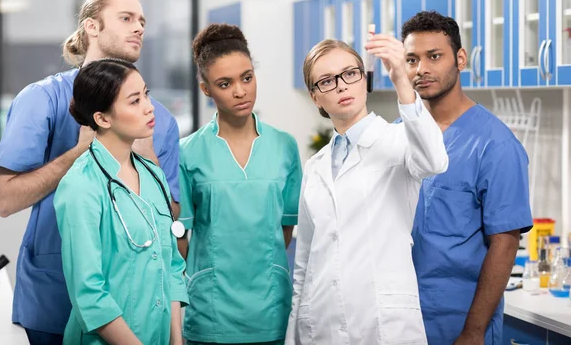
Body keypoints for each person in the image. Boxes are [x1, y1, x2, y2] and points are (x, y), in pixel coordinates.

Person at [0, 0, 182, 344]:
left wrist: (148, 156)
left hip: (138, 304)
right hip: (54, 295)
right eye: (126, 18)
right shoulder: (42, 99)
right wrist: (77, 153)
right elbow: (4, 200)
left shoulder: (158, 122)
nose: (138, 28)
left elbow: (168, 220)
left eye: (142, 21)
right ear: (91, 27)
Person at [285, 33, 448, 345]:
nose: (342, 85)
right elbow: (304, 262)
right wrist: (296, 332)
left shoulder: (399, 142)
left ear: (364, 79)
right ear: (315, 96)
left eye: (350, 73)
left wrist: (402, 77)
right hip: (321, 325)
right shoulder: (315, 166)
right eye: (327, 81)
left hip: (384, 326)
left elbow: (434, 160)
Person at [401, 10, 533, 345]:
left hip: (458, 321)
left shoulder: (496, 145)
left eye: (435, 56)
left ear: (460, 59)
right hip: (400, 318)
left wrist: (473, 332)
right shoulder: (399, 136)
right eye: (412, 59)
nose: (422, 69)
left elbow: (505, 243)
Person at [178, 23, 302, 345]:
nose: (240, 91)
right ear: (206, 89)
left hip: (270, 310)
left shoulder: (284, 146)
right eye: (225, 83)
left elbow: (286, 228)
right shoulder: (188, 153)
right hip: (210, 312)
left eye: (247, 78)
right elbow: (182, 236)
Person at [53, 58, 188, 345]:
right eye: (135, 101)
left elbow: (173, 266)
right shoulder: (81, 186)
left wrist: (177, 341)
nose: (149, 107)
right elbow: (89, 293)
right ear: (102, 118)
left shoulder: (153, 175)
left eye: (147, 94)